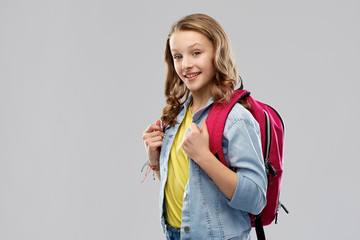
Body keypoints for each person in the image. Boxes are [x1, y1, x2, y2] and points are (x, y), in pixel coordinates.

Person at [142, 13, 267, 240]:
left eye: (196, 53)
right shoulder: (176, 117)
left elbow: (256, 200)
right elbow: (190, 188)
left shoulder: (236, 118)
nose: (186, 64)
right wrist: (155, 160)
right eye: (177, 56)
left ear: (216, 54)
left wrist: (204, 156)